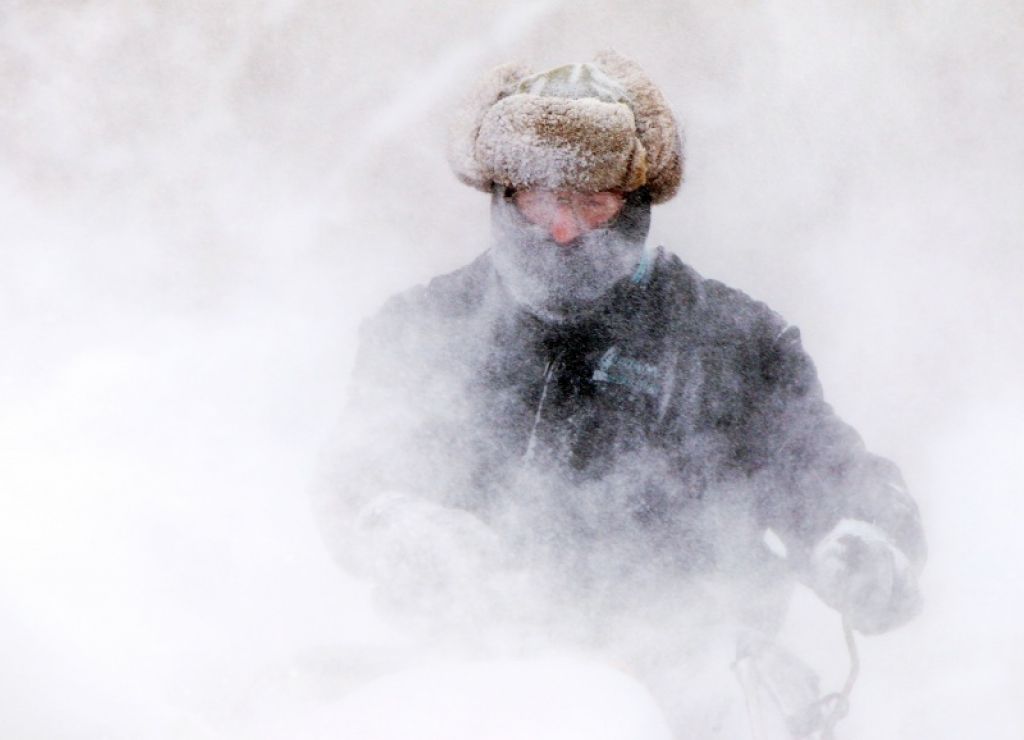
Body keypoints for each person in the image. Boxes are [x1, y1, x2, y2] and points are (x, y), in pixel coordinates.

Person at [312, 51, 926, 737]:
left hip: (693, 696)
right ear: (501, 196)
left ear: (636, 205)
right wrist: (393, 522)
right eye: (539, 198)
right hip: (465, 686)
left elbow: (829, 480)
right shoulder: (422, 329)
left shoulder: (733, 343)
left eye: (593, 201)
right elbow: (352, 480)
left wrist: (871, 548)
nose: (563, 228)